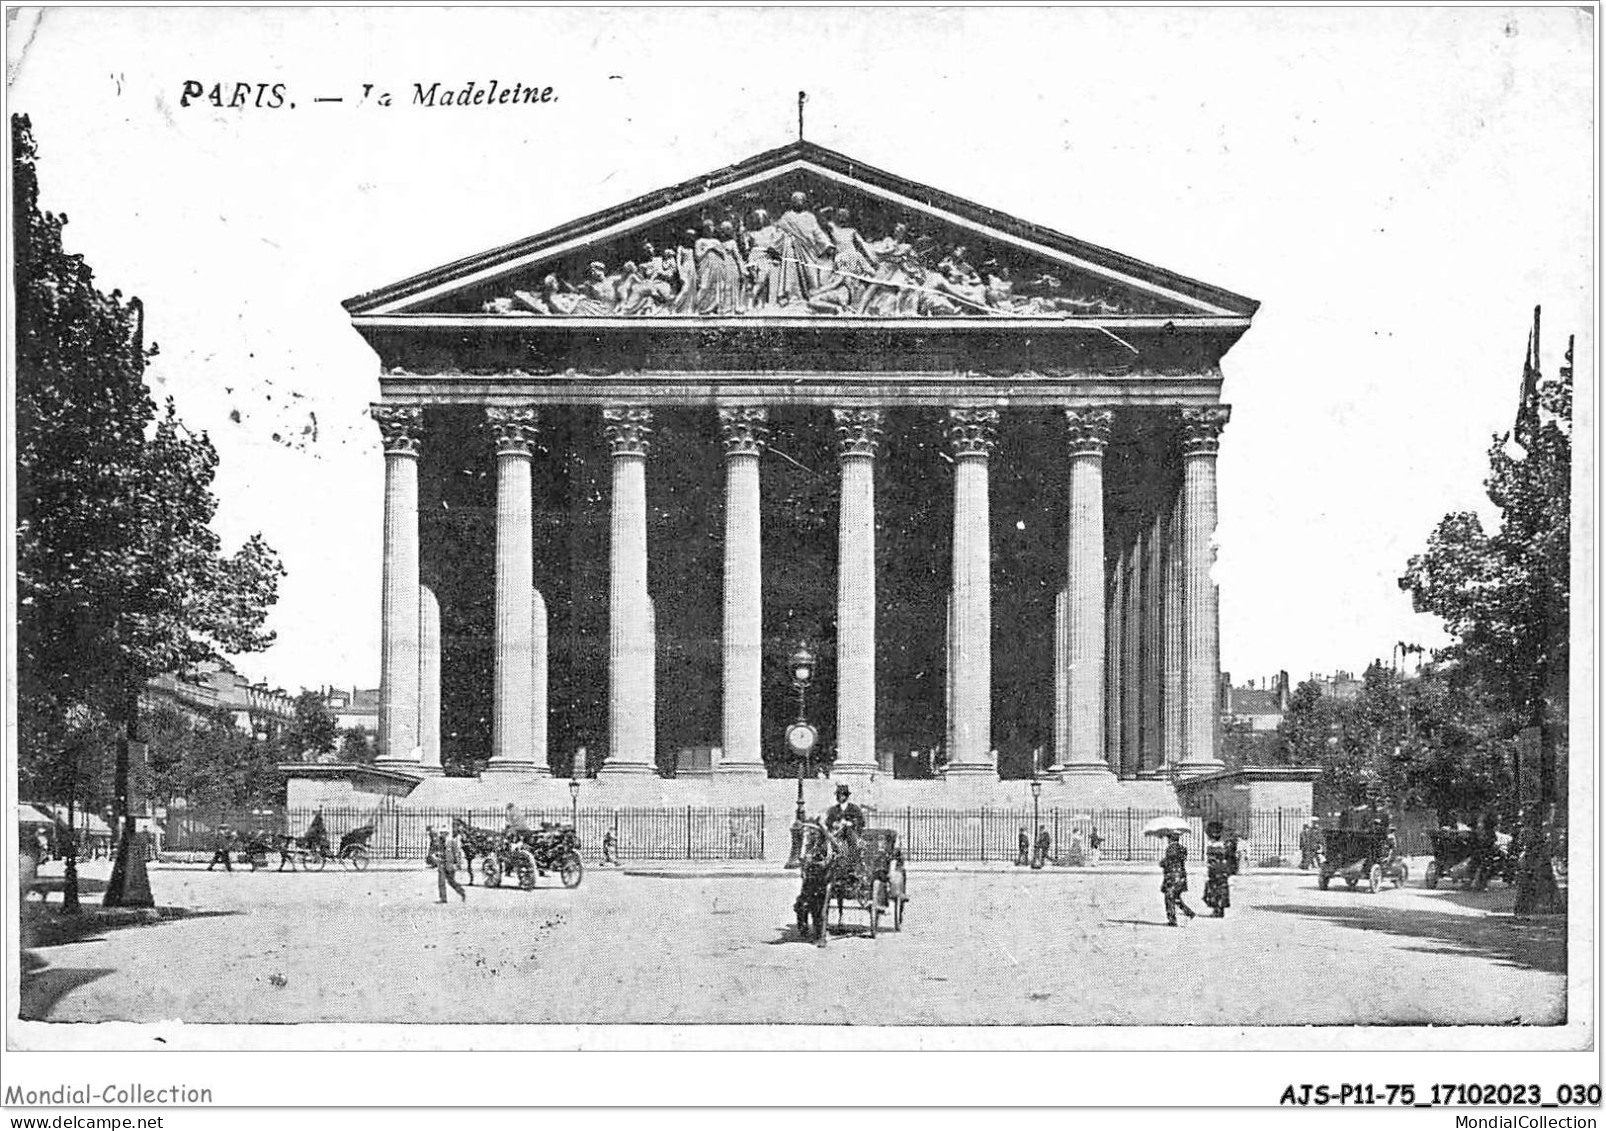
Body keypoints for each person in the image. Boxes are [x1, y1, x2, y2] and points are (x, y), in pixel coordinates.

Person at [1160, 831, 1196, 926]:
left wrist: (1162, 863)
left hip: (1172, 876)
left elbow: (1169, 862)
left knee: (1169, 898)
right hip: (1180, 876)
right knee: (1176, 897)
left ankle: (1172, 920)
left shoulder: (1170, 849)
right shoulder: (1182, 848)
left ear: (1171, 839)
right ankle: (1189, 912)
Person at [1202, 821, 1232, 918]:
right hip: (1223, 870)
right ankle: (1220, 909)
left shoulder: (1212, 846)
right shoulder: (1224, 845)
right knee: (1221, 890)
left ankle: (1217, 909)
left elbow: (1211, 860)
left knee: (1214, 890)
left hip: (1215, 870)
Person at [434, 823, 468, 904]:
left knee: (451, 882)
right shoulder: (437, 842)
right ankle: (443, 898)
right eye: (441, 833)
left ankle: (461, 892)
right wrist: (435, 858)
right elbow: (433, 852)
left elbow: (457, 853)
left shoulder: (451, 842)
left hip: (450, 865)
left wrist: (458, 864)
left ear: (447, 834)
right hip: (441, 864)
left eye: (444, 833)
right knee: (441, 882)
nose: (442, 835)